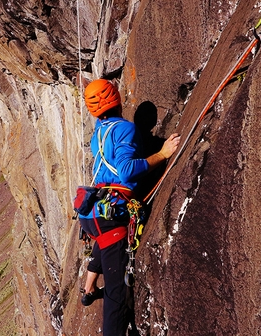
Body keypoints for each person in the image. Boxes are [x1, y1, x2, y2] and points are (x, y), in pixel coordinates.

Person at [78, 78, 180, 336]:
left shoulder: (97, 135)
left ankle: (88, 285)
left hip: (93, 214)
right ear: (116, 98)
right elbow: (125, 171)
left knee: (103, 241)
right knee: (117, 296)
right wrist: (162, 154)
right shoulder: (125, 129)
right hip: (110, 216)